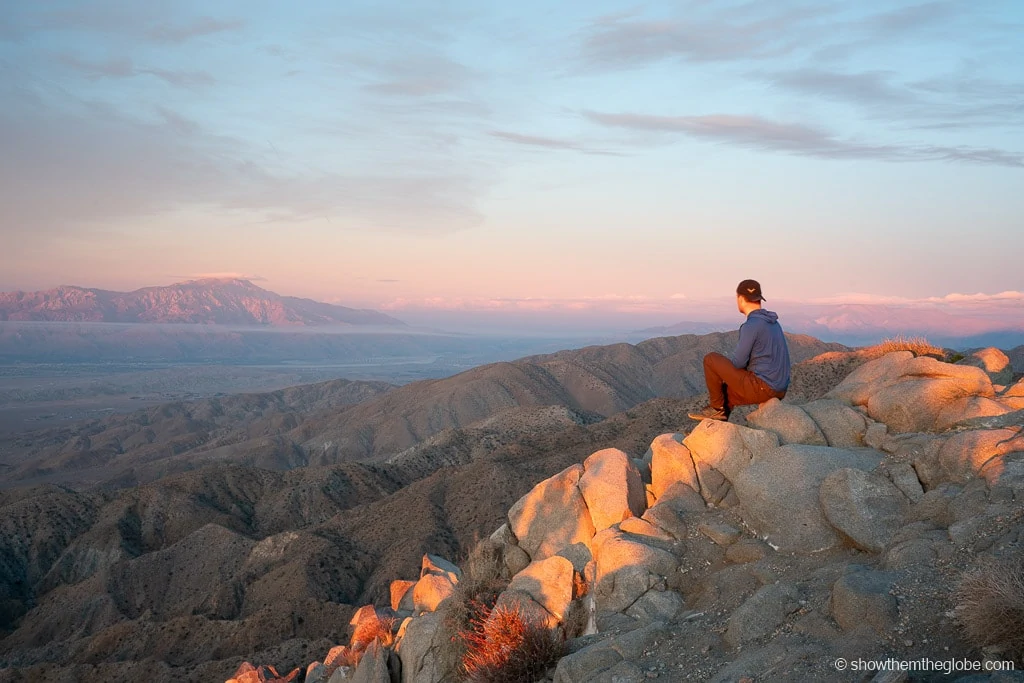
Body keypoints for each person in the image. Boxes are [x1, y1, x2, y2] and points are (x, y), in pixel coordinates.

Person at [688, 279, 791, 421]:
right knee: (725, 394)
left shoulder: (752, 325)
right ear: (760, 299)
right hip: (780, 389)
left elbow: (738, 363)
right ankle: (718, 424)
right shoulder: (773, 322)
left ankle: (716, 410)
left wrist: (726, 372)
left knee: (711, 359)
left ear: (741, 299)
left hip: (763, 387)